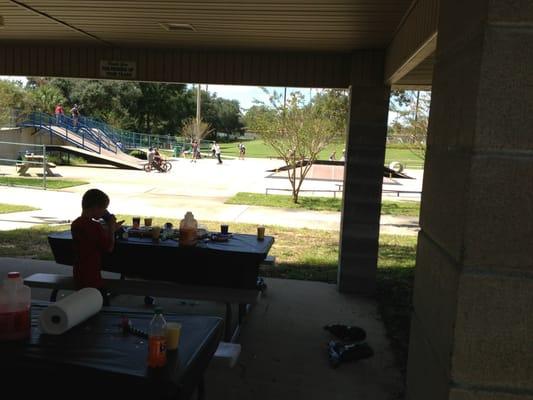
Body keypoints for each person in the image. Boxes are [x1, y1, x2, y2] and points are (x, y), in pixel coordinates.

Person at [70, 189, 123, 298]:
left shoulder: (76, 223)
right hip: (92, 277)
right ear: (95, 208)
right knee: (100, 304)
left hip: (79, 273)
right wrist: (112, 228)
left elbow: (92, 236)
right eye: (103, 208)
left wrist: (108, 229)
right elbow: (109, 248)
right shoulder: (95, 226)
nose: (104, 212)